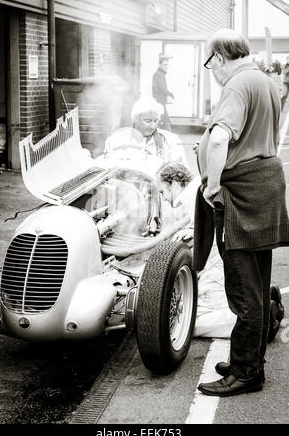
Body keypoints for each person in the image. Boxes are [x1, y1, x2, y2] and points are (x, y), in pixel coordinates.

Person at [192, 29, 289, 397]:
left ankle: (247, 373)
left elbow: (219, 138)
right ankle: (247, 359)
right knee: (259, 283)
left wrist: (212, 185)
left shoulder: (235, 85)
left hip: (241, 195)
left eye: (210, 63)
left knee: (243, 289)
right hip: (263, 187)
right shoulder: (265, 81)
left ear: (218, 58)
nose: (212, 71)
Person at [156, 162, 285, 339]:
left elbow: (204, 238)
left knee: (190, 320)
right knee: (213, 303)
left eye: (162, 191)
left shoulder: (190, 196)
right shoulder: (198, 188)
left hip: (217, 265)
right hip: (222, 259)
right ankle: (262, 304)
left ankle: (264, 319)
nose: (163, 198)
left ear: (174, 183)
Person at [104, 97, 187, 171]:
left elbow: (182, 171)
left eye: (156, 121)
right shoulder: (116, 140)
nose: (153, 126)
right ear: (135, 118)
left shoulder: (171, 140)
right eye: (148, 121)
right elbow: (107, 168)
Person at [152, 57, 174, 131]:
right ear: (159, 65)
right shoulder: (159, 75)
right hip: (159, 101)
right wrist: (171, 94)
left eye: (167, 65)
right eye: (164, 65)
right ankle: (169, 137)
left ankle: (167, 137)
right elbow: (162, 88)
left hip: (160, 101)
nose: (166, 67)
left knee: (164, 120)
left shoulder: (160, 74)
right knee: (164, 120)